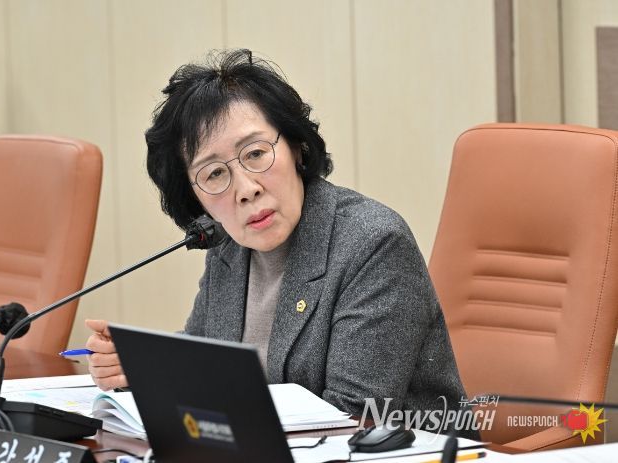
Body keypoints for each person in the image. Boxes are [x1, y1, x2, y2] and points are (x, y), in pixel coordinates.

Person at [86, 49, 469, 426]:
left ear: (297, 147)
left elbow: (353, 416)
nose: (246, 189)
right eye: (214, 174)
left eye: (255, 154)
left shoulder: (373, 243)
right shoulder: (228, 249)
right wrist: (138, 365)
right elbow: (205, 358)